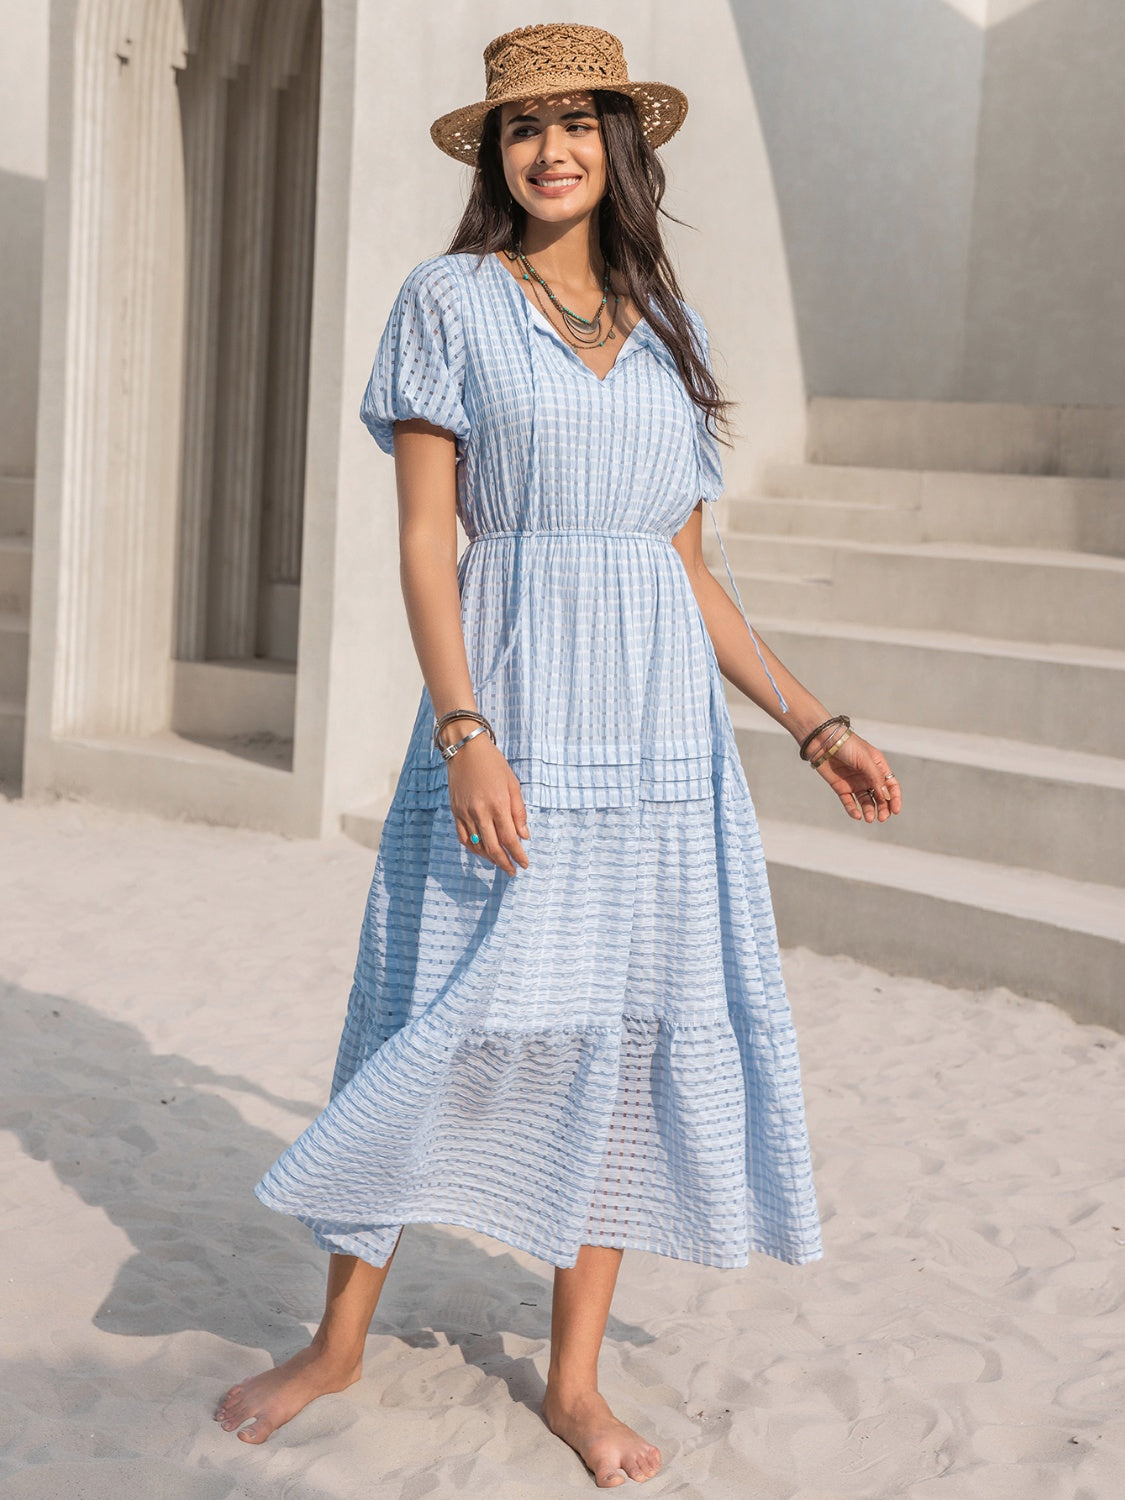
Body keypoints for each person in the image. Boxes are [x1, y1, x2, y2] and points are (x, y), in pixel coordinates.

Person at [215, 22, 902, 1489]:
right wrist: (463, 727)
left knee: (619, 1031)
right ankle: (336, 1342)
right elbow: (422, 540)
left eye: (576, 123)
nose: (550, 149)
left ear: (619, 144)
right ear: (496, 153)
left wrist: (810, 720)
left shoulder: (667, 327)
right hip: (513, 712)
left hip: (658, 745)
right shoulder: (451, 301)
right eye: (522, 128)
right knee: (425, 1014)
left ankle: (574, 1381)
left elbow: (684, 568)